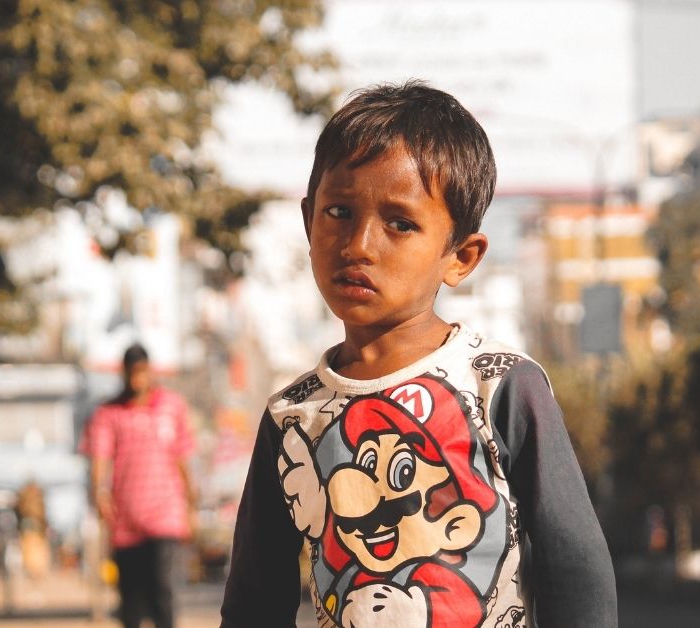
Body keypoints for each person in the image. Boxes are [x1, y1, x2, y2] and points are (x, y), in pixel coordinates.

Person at [220, 81, 617, 628]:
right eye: (338, 211)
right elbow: (254, 599)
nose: (359, 244)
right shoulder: (292, 419)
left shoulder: (499, 386)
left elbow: (576, 569)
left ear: (461, 256)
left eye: (400, 224)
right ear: (308, 220)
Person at [80, 343, 197, 628]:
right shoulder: (108, 414)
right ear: (124, 374)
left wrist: (190, 506)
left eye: (142, 373)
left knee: (163, 592)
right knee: (131, 600)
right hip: (125, 519)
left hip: (165, 515)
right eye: (132, 373)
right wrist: (99, 496)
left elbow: (182, 459)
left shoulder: (172, 407)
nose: (137, 380)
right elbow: (99, 460)